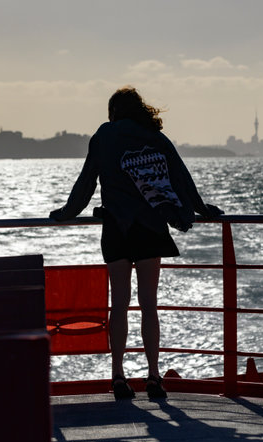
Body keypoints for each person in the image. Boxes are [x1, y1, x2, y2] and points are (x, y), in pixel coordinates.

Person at [50, 86, 223, 400]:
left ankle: (118, 375)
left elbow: (86, 181)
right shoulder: (153, 136)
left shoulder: (103, 136)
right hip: (150, 228)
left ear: (113, 111)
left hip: (117, 227)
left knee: (119, 304)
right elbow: (181, 178)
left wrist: (66, 212)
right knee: (148, 305)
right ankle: (154, 376)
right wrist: (201, 208)